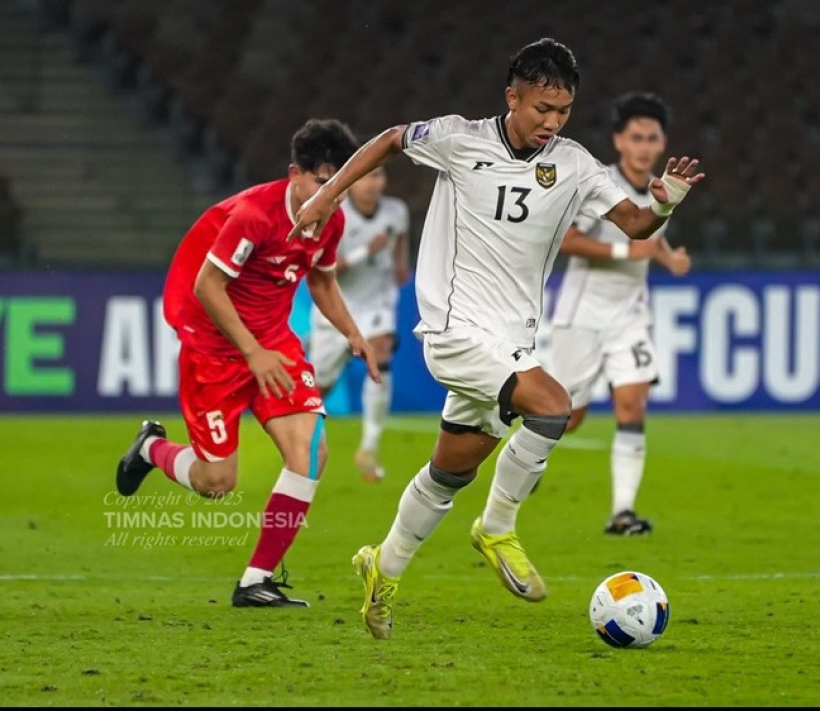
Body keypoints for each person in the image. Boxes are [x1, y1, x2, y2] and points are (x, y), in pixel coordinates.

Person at [289, 38, 706, 639]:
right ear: (512, 97)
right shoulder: (461, 139)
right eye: (541, 108)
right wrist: (329, 198)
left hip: (513, 339)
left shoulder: (575, 165)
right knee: (553, 406)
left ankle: (383, 567)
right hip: (455, 328)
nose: (552, 123)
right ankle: (497, 527)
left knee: (448, 472)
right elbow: (388, 139)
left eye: (563, 112)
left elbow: (637, 223)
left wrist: (668, 201)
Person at [115, 118, 380, 607]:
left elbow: (321, 282)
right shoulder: (255, 215)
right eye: (323, 182)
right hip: (213, 343)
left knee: (311, 453)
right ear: (294, 174)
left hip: (273, 342)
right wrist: (251, 353)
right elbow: (207, 286)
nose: (333, 195)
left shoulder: (332, 220)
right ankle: (152, 448)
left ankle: (255, 579)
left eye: (340, 184)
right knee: (217, 482)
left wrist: (352, 331)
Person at [549, 92, 692, 536]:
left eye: (652, 138)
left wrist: (667, 258)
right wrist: (624, 249)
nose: (645, 146)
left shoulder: (664, 189)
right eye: (636, 137)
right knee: (565, 418)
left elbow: (652, 233)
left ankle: (622, 512)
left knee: (632, 403)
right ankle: (522, 460)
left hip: (630, 315)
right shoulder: (598, 185)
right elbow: (565, 240)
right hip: (582, 313)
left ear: (662, 142)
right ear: (619, 141)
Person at [306, 164, 410, 482]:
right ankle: (300, 442)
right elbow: (324, 271)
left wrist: (401, 266)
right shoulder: (335, 215)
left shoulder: (396, 211)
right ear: (351, 181)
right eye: (366, 176)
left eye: (378, 175)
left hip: (376, 304)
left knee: (381, 356)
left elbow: (401, 243)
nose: (372, 184)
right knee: (319, 387)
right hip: (335, 308)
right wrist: (367, 251)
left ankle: (368, 446)